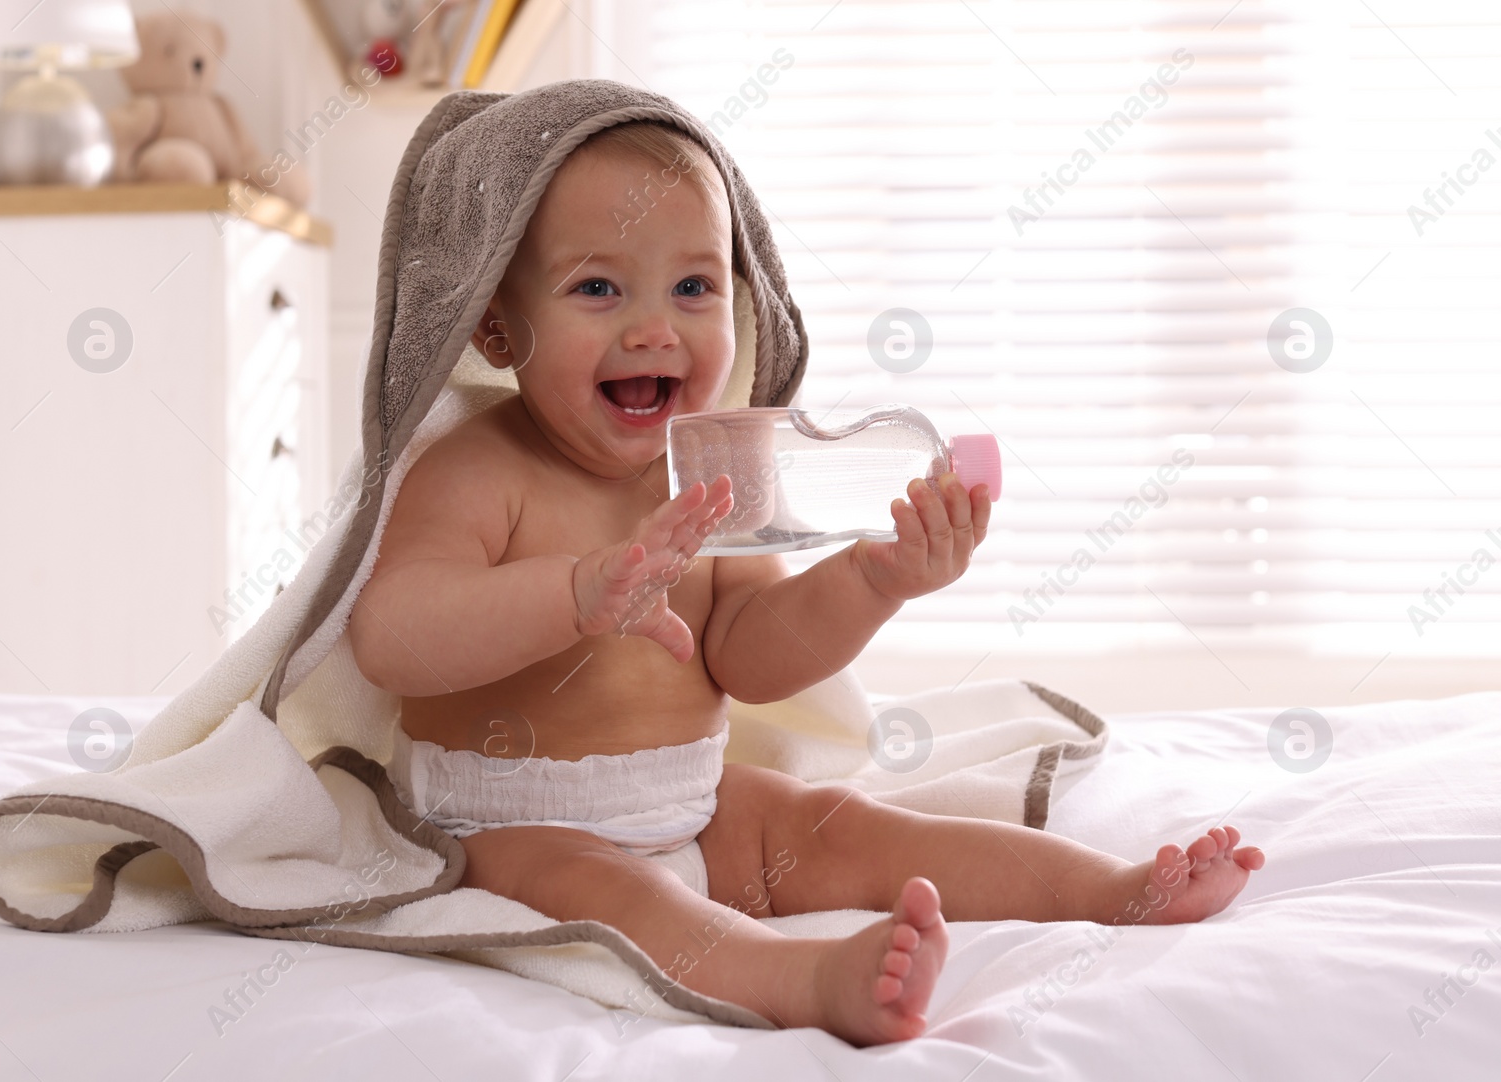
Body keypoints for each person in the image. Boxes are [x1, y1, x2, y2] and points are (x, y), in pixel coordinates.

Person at [349, 117, 1263, 1047]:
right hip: (510, 825)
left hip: (697, 804)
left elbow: (751, 656)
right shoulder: (480, 470)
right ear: (501, 327)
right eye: (597, 287)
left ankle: (1106, 889)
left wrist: (875, 579)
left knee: (843, 824)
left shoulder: (712, 472)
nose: (653, 327)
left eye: (694, 286)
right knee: (608, 890)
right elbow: (391, 637)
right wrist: (574, 595)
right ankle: (804, 978)